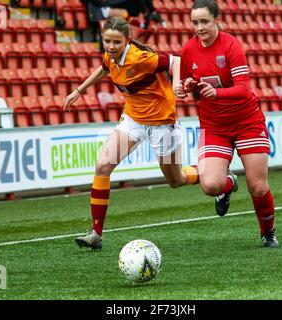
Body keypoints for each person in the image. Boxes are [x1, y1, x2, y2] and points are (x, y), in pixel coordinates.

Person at [63, 16, 200, 250]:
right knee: (103, 166)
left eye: (116, 42)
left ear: (127, 41)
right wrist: (79, 90)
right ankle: (96, 233)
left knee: (175, 180)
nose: (111, 46)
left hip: (161, 122)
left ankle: (214, 177)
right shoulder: (111, 56)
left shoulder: (140, 58)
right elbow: (103, 69)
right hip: (134, 120)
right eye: (107, 41)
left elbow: (175, 61)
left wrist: (177, 84)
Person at [175, 0, 279, 248]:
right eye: (195, 22)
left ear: (216, 20)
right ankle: (228, 183)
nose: (200, 27)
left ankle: (268, 232)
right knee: (210, 185)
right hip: (215, 126)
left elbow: (243, 89)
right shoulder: (189, 50)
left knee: (258, 186)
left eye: (204, 22)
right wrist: (184, 88)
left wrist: (216, 93)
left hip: (247, 121)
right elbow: (189, 82)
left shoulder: (231, 45)